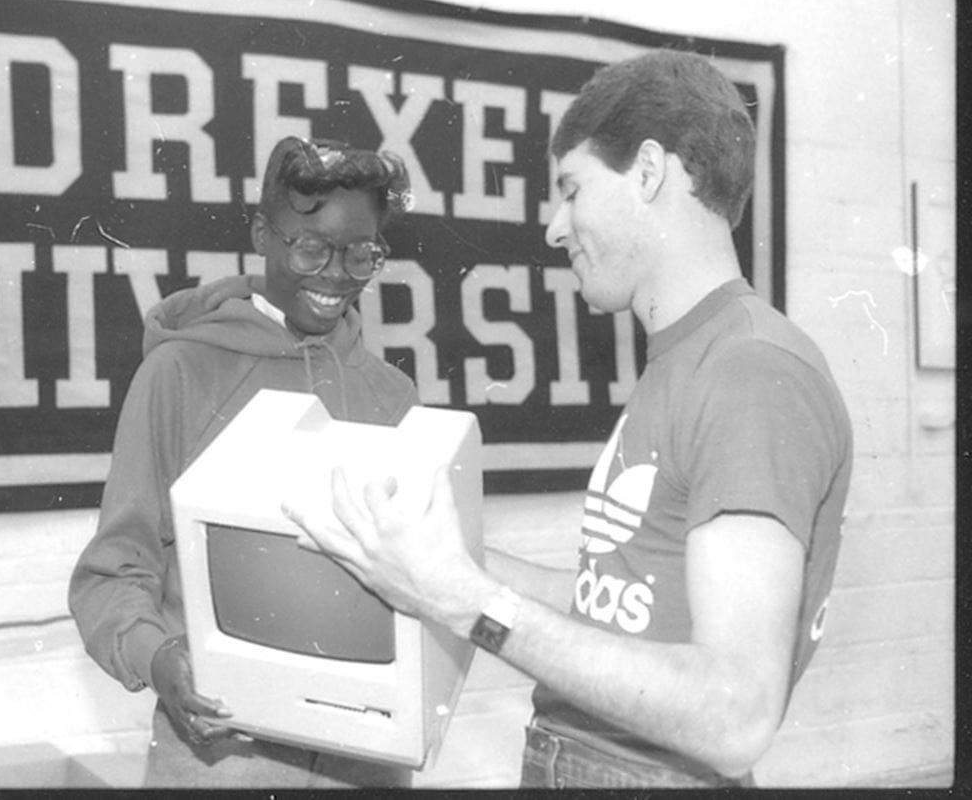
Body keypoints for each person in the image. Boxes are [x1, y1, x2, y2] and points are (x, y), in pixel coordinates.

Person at [283, 50, 853, 789]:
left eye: (572, 190)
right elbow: (620, 606)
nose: (555, 228)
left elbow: (734, 714)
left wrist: (467, 603)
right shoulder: (690, 358)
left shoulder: (750, 370)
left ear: (648, 173)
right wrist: (428, 558)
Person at [68, 135, 420, 788]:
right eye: (311, 247)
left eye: (361, 255)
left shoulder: (392, 396)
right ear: (262, 232)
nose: (336, 275)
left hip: (368, 762)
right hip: (222, 756)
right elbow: (109, 576)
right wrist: (162, 659)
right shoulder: (180, 372)